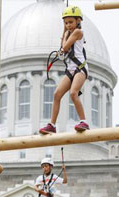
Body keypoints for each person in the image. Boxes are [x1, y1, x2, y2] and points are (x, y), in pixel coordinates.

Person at [40, 6, 89, 135]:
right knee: (57, 94)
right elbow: (64, 48)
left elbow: (65, 47)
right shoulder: (68, 33)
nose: (68, 25)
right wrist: (64, 33)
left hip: (80, 69)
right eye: (66, 23)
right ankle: (52, 125)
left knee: (73, 93)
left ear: (78, 21)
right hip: (70, 70)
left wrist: (64, 34)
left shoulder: (78, 32)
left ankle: (83, 121)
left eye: (71, 22)